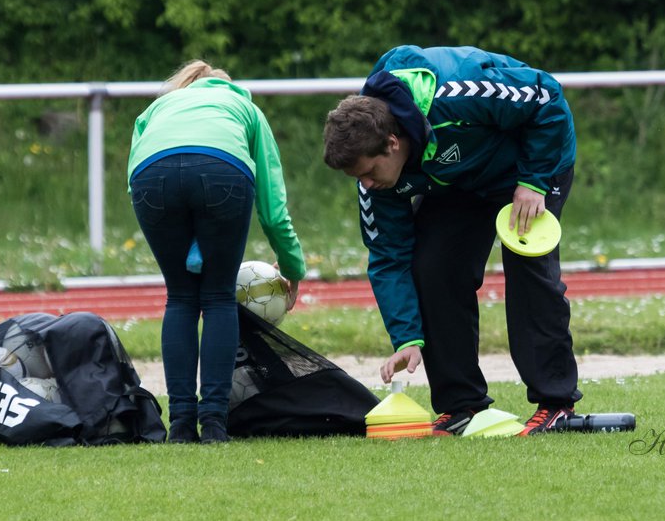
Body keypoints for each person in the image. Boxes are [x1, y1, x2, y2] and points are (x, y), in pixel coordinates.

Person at [322, 45, 580, 436]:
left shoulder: (459, 93)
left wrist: (533, 181)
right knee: (433, 267)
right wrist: (406, 336)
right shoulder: (374, 179)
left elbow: (546, 97)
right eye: (358, 178)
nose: (367, 184)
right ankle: (461, 405)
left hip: (531, 166)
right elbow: (389, 256)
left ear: (392, 143)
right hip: (459, 183)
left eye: (370, 172)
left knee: (529, 271)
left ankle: (556, 403)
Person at [128, 60, 306, 444]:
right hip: (223, 170)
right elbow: (274, 211)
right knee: (218, 297)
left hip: (150, 177)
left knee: (180, 298)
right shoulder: (246, 109)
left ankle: (179, 426)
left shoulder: (157, 109)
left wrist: (187, 235)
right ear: (231, 88)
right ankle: (213, 424)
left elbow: (138, 179)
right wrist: (293, 267)